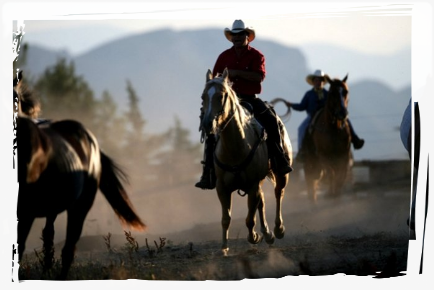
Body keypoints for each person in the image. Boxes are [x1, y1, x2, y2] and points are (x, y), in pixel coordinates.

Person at [195, 19, 292, 190]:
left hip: (250, 99)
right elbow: (216, 80)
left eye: (240, 35)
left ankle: (279, 160)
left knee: (271, 121)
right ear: (231, 37)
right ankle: (208, 172)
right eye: (234, 35)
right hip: (226, 102)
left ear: (247, 36)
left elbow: (259, 77)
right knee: (210, 130)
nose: (236, 38)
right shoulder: (223, 56)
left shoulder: (256, 56)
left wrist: (235, 73)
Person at [285, 69, 364, 162]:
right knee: (301, 129)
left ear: (323, 82)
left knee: (346, 120)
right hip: (312, 115)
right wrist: (292, 105)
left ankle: (355, 139)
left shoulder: (328, 93)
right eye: (316, 80)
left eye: (320, 80)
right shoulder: (309, 94)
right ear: (313, 82)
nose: (318, 82)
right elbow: (302, 106)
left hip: (328, 115)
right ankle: (301, 151)